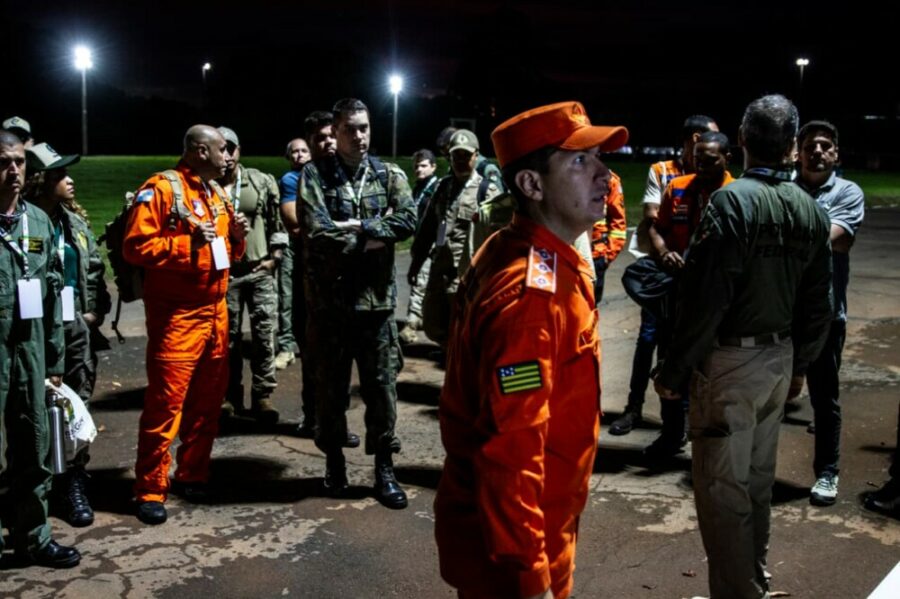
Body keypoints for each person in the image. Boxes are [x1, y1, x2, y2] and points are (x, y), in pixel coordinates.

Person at [434, 101, 628, 598]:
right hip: (515, 552)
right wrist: (530, 579)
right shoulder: (531, 298)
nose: (604, 175)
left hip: (532, 530)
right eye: (580, 161)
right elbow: (510, 454)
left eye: (599, 158)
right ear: (531, 185)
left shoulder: (525, 249)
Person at [654, 94, 833, 599]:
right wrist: (800, 364)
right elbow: (819, 303)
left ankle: (739, 592)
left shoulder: (733, 202)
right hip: (779, 357)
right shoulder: (810, 208)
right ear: (793, 146)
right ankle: (752, 579)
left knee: (722, 491)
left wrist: (675, 369)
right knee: (756, 483)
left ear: (742, 139)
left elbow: (707, 296)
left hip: (732, 360)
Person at [123, 125, 249, 525]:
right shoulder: (162, 189)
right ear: (200, 151)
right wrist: (186, 245)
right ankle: (150, 489)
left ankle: (193, 473)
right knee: (165, 407)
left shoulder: (216, 193)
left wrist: (238, 238)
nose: (228, 156)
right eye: (222, 149)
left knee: (207, 405)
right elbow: (135, 247)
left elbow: (226, 253)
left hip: (216, 315)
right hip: (177, 319)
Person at [299, 98, 416, 508]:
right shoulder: (315, 175)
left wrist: (360, 227)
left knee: (382, 391)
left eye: (364, 127)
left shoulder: (389, 174)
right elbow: (316, 232)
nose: (359, 136)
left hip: (376, 307)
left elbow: (408, 219)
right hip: (331, 308)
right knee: (330, 391)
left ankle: (384, 467)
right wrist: (373, 237)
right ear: (336, 131)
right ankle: (334, 461)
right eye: (350, 129)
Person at [609, 114, 718, 436]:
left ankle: (679, 418)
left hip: (695, 275)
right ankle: (634, 407)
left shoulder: (714, 174)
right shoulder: (663, 171)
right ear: (694, 139)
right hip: (662, 269)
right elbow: (652, 216)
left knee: (684, 344)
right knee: (648, 339)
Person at [0, 130, 78, 567]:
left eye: (18, 161)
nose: (13, 170)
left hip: (29, 352)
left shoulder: (38, 222)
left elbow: (51, 295)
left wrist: (54, 358)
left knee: (34, 443)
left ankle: (34, 535)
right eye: (3, 162)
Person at [23, 142, 111, 528]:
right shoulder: (21, 222)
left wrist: (95, 312)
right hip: (33, 330)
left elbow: (93, 268)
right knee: (33, 409)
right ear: (39, 180)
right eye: (59, 174)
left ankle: (72, 480)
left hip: (74, 327)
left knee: (77, 404)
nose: (69, 180)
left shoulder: (72, 221)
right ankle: (35, 485)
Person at [641, 130, 734, 457]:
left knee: (712, 369)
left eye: (710, 161)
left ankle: (708, 438)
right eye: (697, 160)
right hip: (677, 294)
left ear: (727, 159)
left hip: (717, 299)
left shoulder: (736, 194)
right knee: (669, 362)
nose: (702, 167)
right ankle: (671, 434)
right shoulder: (678, 188)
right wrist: (664, 251)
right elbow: (656, 228)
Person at [795, 120, 865, 506]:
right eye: (810, 146)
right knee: (766, 396)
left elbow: (834, 239)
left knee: (824, 398)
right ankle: (756, 469)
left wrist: (785, 236)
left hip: (826, 313)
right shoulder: (785, 187)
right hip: (782, 312)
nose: (817, 152)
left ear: (836, 153)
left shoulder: (847, 192)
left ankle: (827, 472)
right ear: (798, 152)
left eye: (825, 146)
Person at [286, 111, 358, 447]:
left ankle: (336, 421)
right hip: (309, 278)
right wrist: (349, 228)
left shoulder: (346, 176)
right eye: (320, 138)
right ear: (310, 142)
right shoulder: (299, 179)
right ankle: (313, 417)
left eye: (332, 135)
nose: (328, 142)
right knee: (313, 352)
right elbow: (302, 228)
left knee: (342, 354)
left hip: (343, 277)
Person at [217, 126, 287, 424]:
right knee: (226, 339)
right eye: (220, 149)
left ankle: (262, 395)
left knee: (263, 335)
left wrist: (275, 258)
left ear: (239, 150)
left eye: (231, 148)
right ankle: (229, 395)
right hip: (226, 275)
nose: (226, 155)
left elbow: (277, 223)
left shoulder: (260, 181)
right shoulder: (205, 187)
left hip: (259, 271)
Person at [408, 129, 503, 348]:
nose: (460, 161)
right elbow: (427, 228)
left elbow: (500, 237)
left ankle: (456, 366)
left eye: (466, 155)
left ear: (476, 155)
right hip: (439, 272)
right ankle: (450, 357)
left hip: (467, 277)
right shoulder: (443, 187)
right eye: (455, 155)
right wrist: (416, 261)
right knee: (433, 325)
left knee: (465, 333)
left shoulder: (487, 191)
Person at [273, 137, 311, 370]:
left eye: (304, 151)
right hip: (292, 245)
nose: (299, 155)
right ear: (289, 156)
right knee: (287, 295)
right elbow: (294, 221)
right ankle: (286, 346)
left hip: (312, 245)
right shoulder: (290, 179)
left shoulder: (317, 176)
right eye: (295, 151)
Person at [399, 148, 439, 345]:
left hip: (433, 243)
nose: (419, 170)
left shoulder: (437, 188)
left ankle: (411, 323)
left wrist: (437, 243)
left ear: (433, 167)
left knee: (420, 281)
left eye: (423, 166)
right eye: (416, 166)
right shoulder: (418, 188)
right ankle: (424, 318)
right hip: (420, 241)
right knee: (423, 281)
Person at [589, 170, 626, 302]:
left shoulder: (610, 180)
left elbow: (618, 221)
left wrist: (608, 255)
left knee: (591, 304)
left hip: (596, 254)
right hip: (565, 252)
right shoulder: (563, 173)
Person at [436, 125, 506, 192]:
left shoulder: (487, 169)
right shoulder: (453, 170)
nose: (449, 159)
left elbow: (498, 197)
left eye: (449, 155)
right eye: (453, 155)